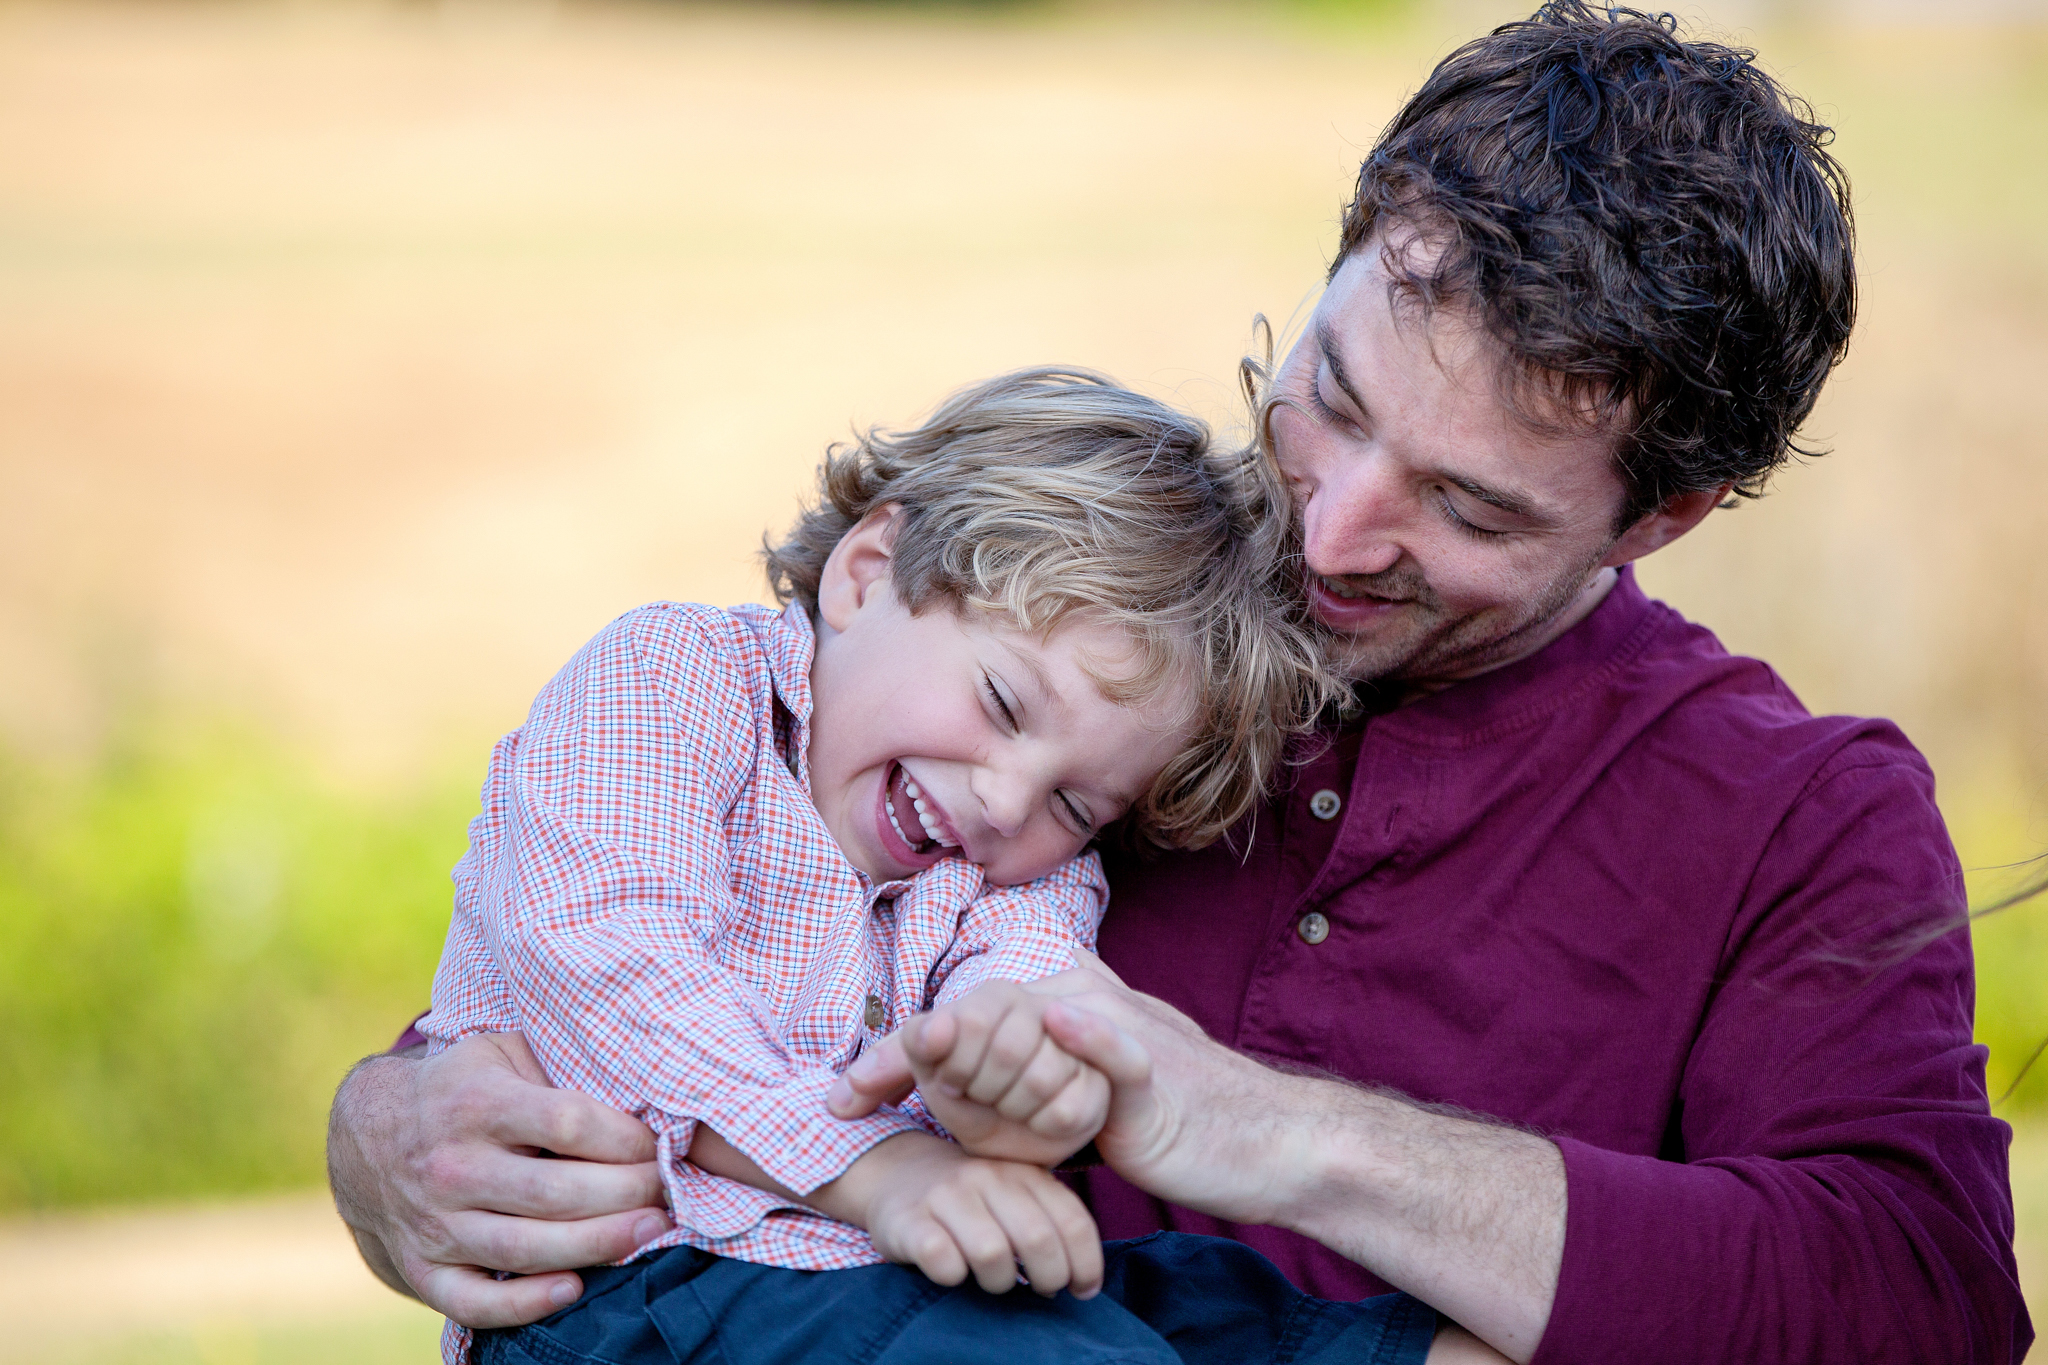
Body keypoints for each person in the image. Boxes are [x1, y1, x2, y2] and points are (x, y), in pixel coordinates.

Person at [325, 5, 2034, 1363]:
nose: (1332, 528)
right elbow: (645, 947)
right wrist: (386, 1132)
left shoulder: (1799, 819)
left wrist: (1271, 1135)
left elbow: (1911, 1302)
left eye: (1466, 507)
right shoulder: (1095, 637)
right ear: (1342, 252)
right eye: (1336, 400)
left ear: (1661, 516)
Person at [408, 366, 1441, 1365]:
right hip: (641, 1280)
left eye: (1075, 801)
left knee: (1232, 1311)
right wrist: (880, 1168)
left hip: (895, 1276)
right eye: (1000, 704)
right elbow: (612, 974)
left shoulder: (1020, 872)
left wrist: (1025, 1082)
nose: (1003, 802)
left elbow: (1033, 988)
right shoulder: (671, 684)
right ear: (866, 575)